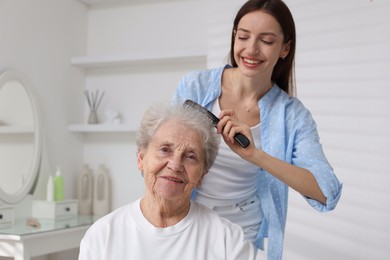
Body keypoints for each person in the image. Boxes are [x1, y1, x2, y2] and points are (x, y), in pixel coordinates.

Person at [173, 0, 343, 259]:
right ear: (234, 38)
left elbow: (326, 191)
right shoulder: (195, 86)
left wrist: (255, 155)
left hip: (242, 228)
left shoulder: (293, 115)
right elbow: (164, 150)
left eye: (266, 40)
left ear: (285, 48)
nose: (251, 49)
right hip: (187, 215)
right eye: (243, 36)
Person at [78, 103, 257, 260]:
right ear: (141, 159)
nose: (175, 165)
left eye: (190, 156)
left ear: (202, 174)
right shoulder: (103, 235)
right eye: (165, 150)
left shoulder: (228, 240)